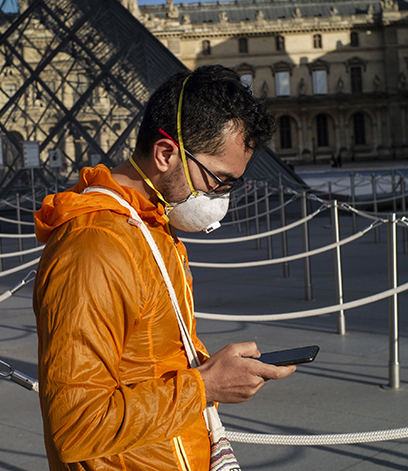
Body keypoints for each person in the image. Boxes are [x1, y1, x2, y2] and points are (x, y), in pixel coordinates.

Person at [33, 65, 296, 470]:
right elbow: (77, 425)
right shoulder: (94, 250)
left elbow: (146, 355)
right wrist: (206, 384)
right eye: (219, 180)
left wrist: (212, 368)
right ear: (165, 153)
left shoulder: (151, 224)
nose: (223, 196)